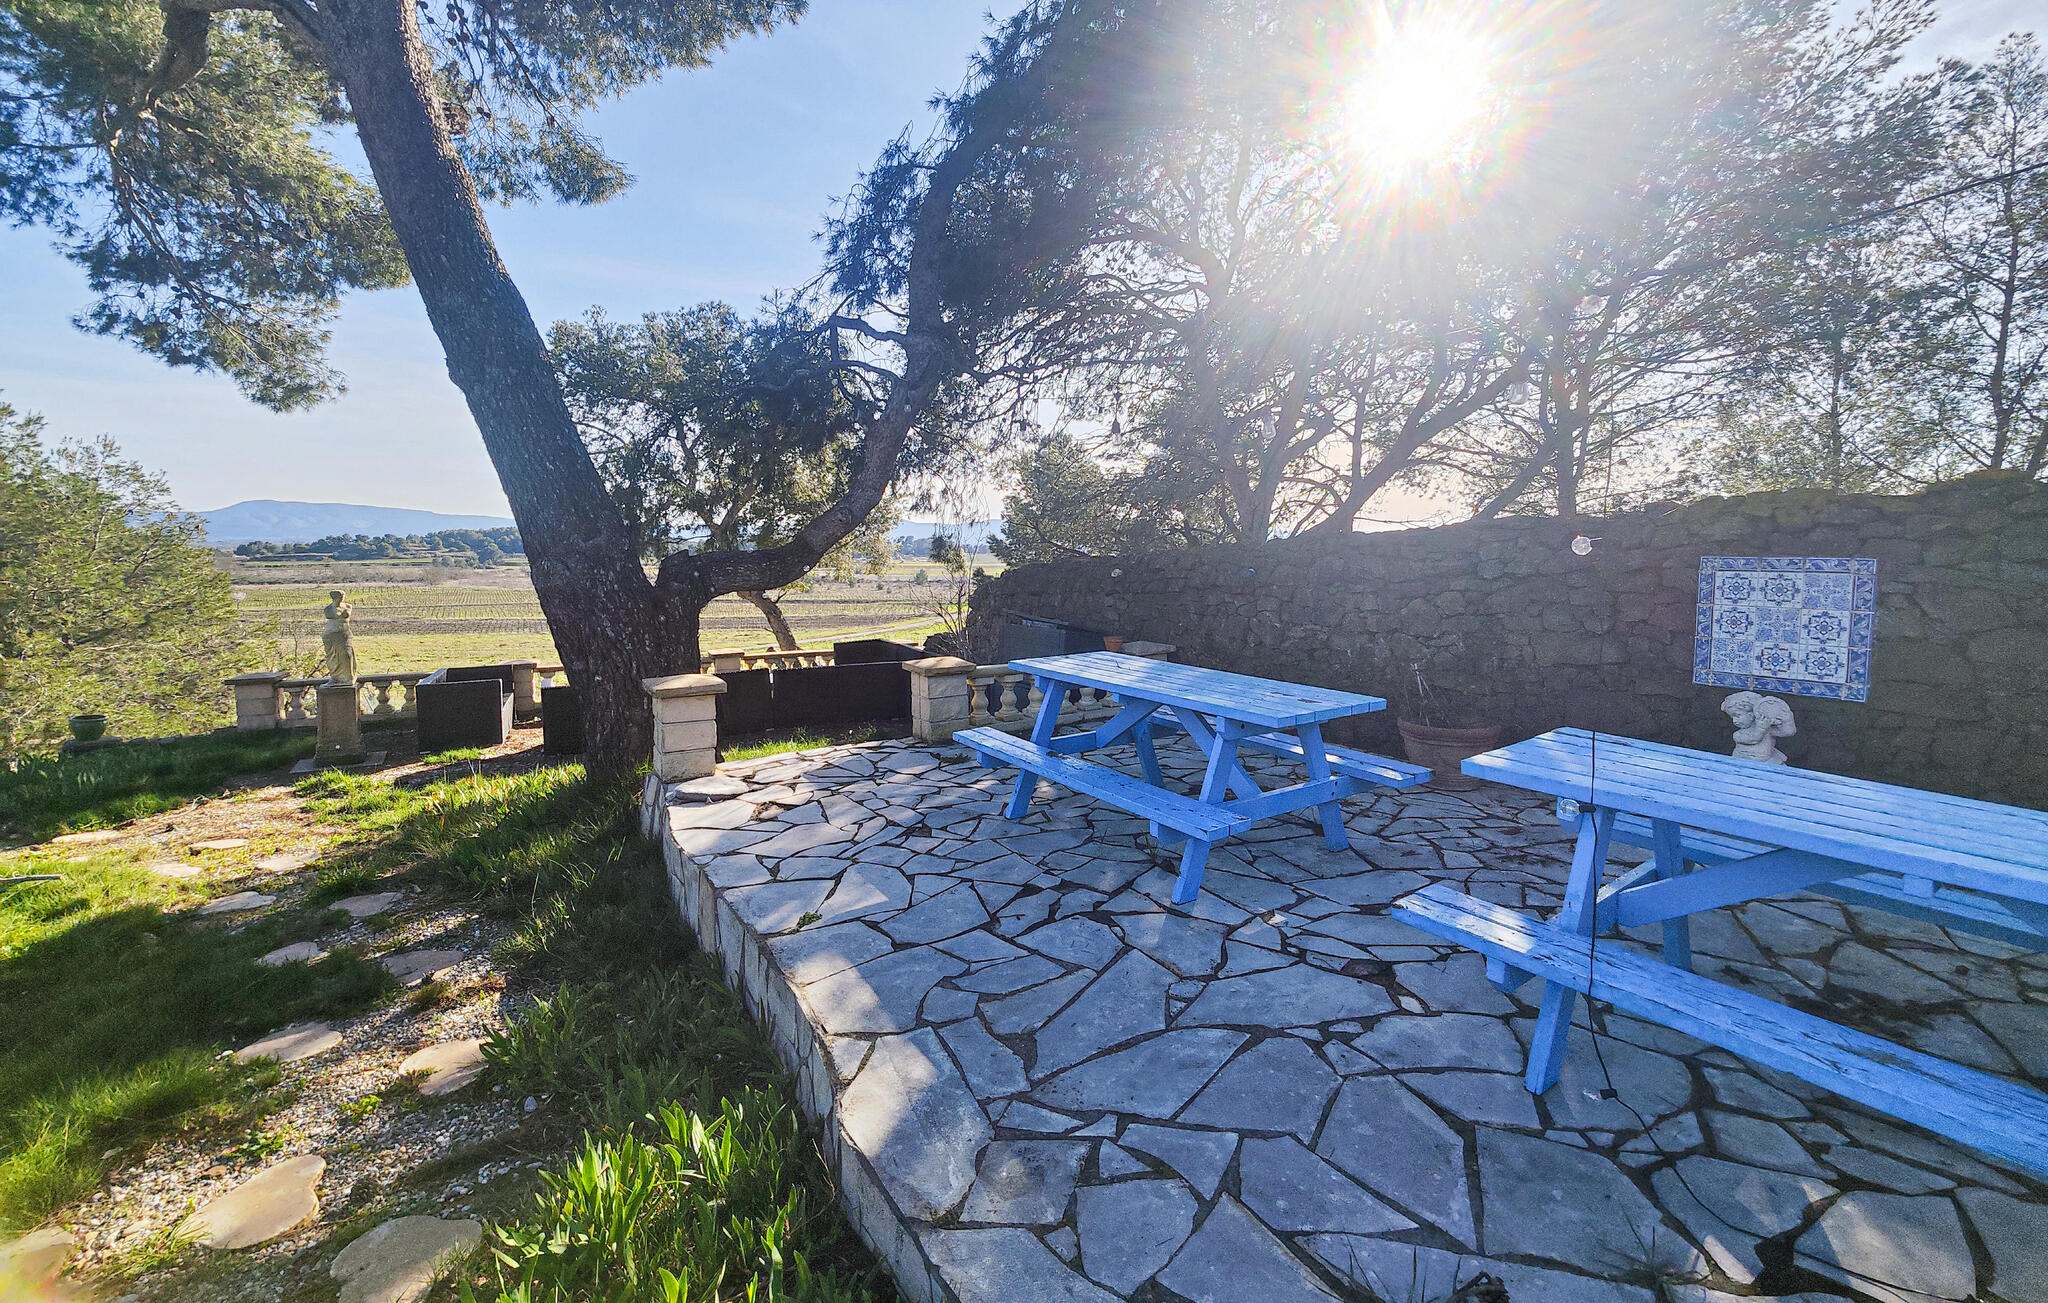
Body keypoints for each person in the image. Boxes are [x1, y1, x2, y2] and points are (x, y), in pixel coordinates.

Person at [1722, 690, 1795, 764]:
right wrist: (1761, 729)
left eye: (1738, 716)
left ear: (1752, 715)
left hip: (1768, 760)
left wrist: (1787, 720)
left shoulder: (1768, 730)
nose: (1734, 720)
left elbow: (1787, 732)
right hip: (1745, 761)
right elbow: (1753, 739)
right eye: (1732, 717)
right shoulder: (1738, 734)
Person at [321, 589, 358, 684]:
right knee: (333, 657)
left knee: (347, 655)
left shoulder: (348, 606)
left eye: (343, 596)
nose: (342, 598)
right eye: (340, 596)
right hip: (331, 635)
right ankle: (336, 677)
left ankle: (348, 678)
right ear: (334, 597)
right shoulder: (328, 609)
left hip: (345, 634)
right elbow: (331, 616)